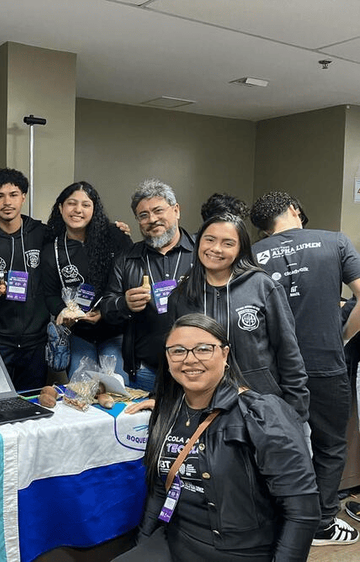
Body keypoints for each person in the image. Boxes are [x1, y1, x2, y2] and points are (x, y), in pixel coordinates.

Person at [117, 313, 319, 562]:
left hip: (240, 553)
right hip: (177, 542)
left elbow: (302, 511)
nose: (190, 359)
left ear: (225, 355)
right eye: (178, 351)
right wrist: (142, 547)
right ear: (168, 359)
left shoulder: (262, 413)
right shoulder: (168, 411)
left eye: (203, 349)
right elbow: (159, 491)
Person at [251, 191, 360, 546]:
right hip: (325, 362)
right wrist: (343, 335)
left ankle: (278, 517)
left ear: (263, 228)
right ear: (295, 210)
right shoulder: (335, 241)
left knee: (277, 445)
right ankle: (321, 524)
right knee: (329, 446)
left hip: (273, 369)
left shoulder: (252, 255)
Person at [167, 213, 309, 421]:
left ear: (240, 249)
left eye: (228, 243)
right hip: (203, 409)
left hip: (262, 405)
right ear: (199, 244)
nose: (216, 249)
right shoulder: (181, 296)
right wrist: (164, 399)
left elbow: (288, 351)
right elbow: (174, 355)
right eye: (209, 239)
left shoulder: (262, 286)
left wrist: (295, 411)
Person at [100, 179, 196, 392]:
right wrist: (124, 304)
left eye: (158, 210)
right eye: (143, 215)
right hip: (146, 372)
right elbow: (107, 307)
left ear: (176, 210)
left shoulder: (201, 254)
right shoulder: (126, 259)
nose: (152, 219)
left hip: (197, 368)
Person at [42, 181, 132, 379]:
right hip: (78, 333)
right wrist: (63, 311)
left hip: (114, 330)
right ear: (60, 208)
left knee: (117, 390)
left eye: (85, 205)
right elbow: (49, 294)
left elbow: (128, 282)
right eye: (71, 203)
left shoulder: (115, 237)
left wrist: (105, 312)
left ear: (94, 209)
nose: (78, 210)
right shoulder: (52, 249)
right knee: (80, 392)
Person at [0, 167, 50, 391]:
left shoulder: (42, 234)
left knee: (31, 405)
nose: (7, 202)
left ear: (23, 197)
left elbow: (77, 232)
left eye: (13, 194)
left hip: (36, 341)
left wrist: (115, 230)